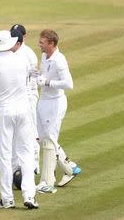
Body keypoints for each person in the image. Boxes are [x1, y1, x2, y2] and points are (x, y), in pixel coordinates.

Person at [0, 30, 38, 209]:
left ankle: (7, 199)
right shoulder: (22, 60)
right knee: (26, 154)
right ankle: (29, 196)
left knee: (5, 156)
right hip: (23, 110)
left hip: (5, 111)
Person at [35, 29, 81, 193]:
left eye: (42, 42)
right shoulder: (44, 56)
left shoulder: (59, 60)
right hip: (43, 101)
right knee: (40, 138)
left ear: (51, 44)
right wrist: (36, 74)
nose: (39, 44)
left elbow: (69, 84)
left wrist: (47, 82)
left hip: (55, 104)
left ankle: (47, 182)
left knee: (49, 140)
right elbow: (43, 74)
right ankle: (70, 168)